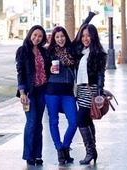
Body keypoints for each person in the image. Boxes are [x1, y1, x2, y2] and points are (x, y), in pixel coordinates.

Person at [15, 25, 51, 166]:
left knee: (39, 124)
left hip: (42, 91)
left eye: (40, 36)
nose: (37, 38)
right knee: (31, 123)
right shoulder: (22, 51)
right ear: (30, 34)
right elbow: (20, 72)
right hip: (29, 93)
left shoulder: (43, 51)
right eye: (35, 35)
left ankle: (37, 155)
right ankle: (29, 155)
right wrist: (22, 92)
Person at [72, 23, 107, 164]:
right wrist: (88, 19)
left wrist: (99, 91)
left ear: (94, 36)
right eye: (83, 36)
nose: (85, 38)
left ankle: (90, 151)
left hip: (90, 89)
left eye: (88, 36)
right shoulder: (80, 51)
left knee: (80, 120)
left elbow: (100, 75)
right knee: (87, 120)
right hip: (80, 89)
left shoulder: (98, 53)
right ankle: (93, 151)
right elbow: (74, 40)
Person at [45, 26, 77, 164]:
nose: (60, 39)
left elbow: (82, 31)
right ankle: (59, 149)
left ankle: (65, 147)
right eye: (57, 37)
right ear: (53, 38)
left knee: (74, 122)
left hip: (67, 92)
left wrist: (89, 17)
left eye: (62, 36)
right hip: (52, 91)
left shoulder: (72, 50)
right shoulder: (48, 51)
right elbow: (41, 68)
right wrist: (49, 69)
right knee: (53, 121)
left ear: (66, 36)